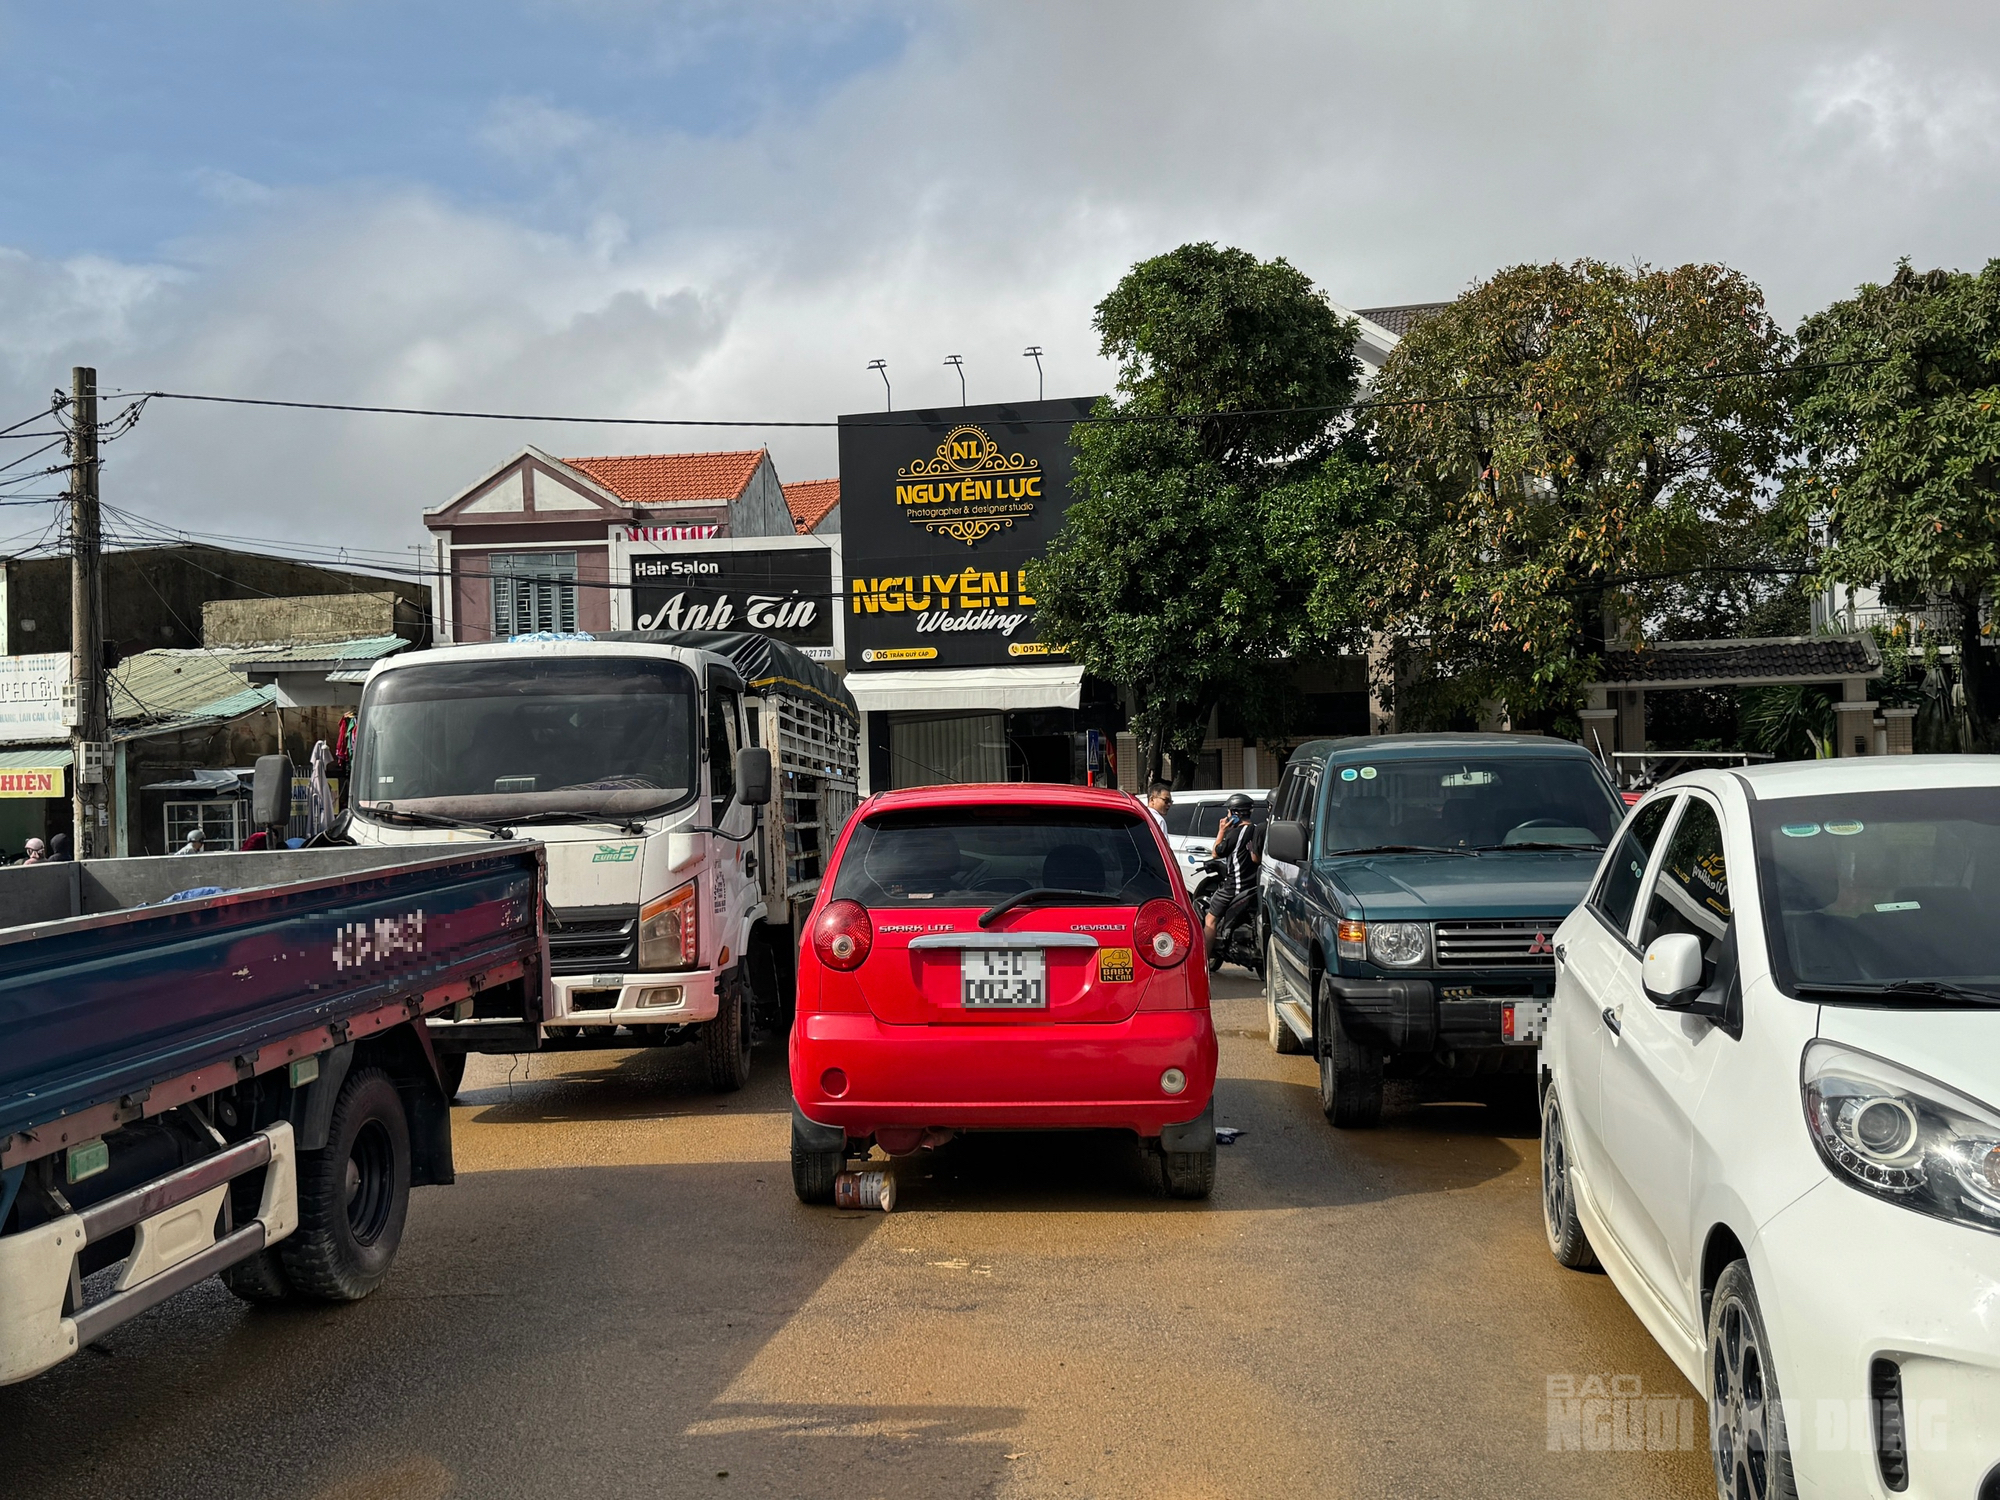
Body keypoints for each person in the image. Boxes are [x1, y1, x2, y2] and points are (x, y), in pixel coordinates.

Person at [1205, 792, 1261, 942]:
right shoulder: (1256, 829)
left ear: (1235, 814)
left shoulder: (1235, 833)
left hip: (1235, 886)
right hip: (1253, 884)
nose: (1227, 816)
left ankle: (1203, 962)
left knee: (1210, 921)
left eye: (1228, 812)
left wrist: (1222, 831)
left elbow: (1216, 853)